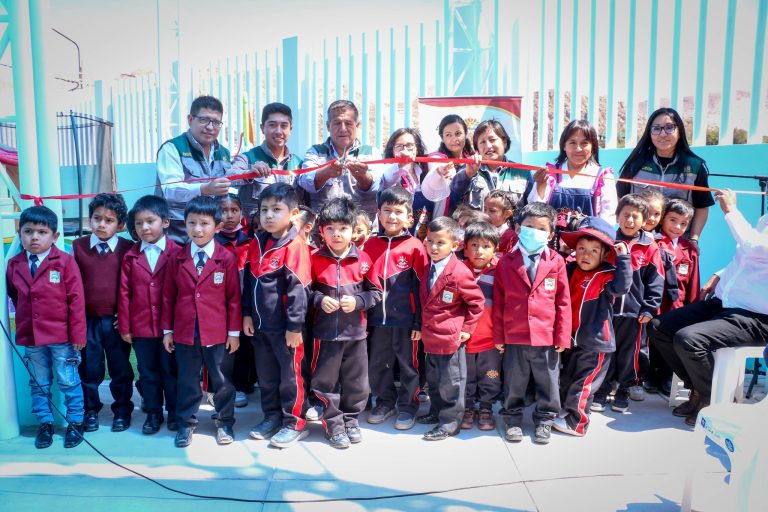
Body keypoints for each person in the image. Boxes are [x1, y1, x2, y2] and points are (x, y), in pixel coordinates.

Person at [649, 189, 768, 425]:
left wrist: (731, 210)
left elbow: (756, 248)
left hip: (755, 316)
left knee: (689, 340)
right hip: (723, 302)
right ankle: (699, 389)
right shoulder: (765, 220)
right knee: (659, 327)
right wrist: (720, 274)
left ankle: (712, 401)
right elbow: (749, 258)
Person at [161, 196, 242, 447]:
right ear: (184, 224)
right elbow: (168, 297)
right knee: (187, 378)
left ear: (217, 226)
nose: (197, 229)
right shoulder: (176, 258)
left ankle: (224, 420)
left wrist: (234, 333)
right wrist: (168, 331)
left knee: (221, 379)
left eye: (204, 223)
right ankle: (186, 423)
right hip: (186, 331)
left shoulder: (225, 258)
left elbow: (233, 299)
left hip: (217, 331)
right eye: (192, 223)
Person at [8, 206, 87, 449]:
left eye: (42, 232)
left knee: (68, 380)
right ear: (19, 233)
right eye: (28, 231)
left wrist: (78, 335)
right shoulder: (13, 265)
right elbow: (15, 295)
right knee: (38, 382)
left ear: (54, 236)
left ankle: (75, 422)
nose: (34, 237)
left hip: (62, 337)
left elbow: (76, 300)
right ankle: (45, 423)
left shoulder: (65, 262)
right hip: (32, 337)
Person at [493, 202, 572, 445]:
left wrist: (562, 335)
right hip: (514, 335)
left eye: (541, 228)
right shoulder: (506, 261)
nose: (534, 232)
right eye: (529, 226)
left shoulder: (556, 261)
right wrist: (499, 337)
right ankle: (513, 419)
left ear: (550, 234)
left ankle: (545, 420)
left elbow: (563, 301)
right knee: (514, 382)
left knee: (548, 382)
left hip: (546, 336)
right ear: (518, 228)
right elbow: (499, 302)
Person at [242, 183, 312, 449]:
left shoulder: (295, 246)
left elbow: (299, 290)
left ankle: (294, 422)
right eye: (264, 210)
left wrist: (294, 327)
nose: (269, 215)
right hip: (260, 328)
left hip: (287, 331)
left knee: (290, 377)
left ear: (293, 213)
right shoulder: (256, 243)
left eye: (276, 209)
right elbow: (249, 283)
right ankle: (271, 417)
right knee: (267, 376)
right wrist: (247, 315)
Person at [310, 197, 382, 449]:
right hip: (326, 334)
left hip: (356, 334)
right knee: (325, 382)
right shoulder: (315, 259)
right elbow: (307, 292)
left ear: (354, 230)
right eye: (330, 228)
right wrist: (320, 300)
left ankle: (351, 420)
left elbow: (375, 293)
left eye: (342, 228)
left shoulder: (363, 260)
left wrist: (359, 301)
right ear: (321, 231)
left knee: (357, 382)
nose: (336, 234)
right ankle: (333, 423)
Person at [554, 217, 631, 437]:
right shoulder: (570, 270)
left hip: (596, 344)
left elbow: (622, 287)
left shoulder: (607, 275)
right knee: (567, 379)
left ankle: (577, 424)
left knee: (583, 385)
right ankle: (566, 412)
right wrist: (560, 252)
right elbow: (555, 273)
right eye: (581, 249)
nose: (586, 255)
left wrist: (624, 258)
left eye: (594, 251)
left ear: (606, 255)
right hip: (571, 340)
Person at [592, 195, 664, 412]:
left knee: (629, 353)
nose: (630, 220)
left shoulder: (649, 247)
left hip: (634, 313)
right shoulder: (608, 242)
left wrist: (649, 308)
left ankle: (625, 387)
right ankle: (603, 388)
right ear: (617, 216)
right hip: (608, 311)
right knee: (605, 351)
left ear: (644, 220)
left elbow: (657, 279)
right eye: (625, 215)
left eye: (635, 216)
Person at [365, 187, 429, 431]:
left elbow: (422, 288)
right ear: (378, 214)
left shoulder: (415, 247)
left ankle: (408, 406)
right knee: (377, 365)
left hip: (406, 322)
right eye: (387, 211)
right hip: (377, 321)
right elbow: (364, 283)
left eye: (398, 212)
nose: (392, 217)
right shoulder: (370, 245)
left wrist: (418, 322)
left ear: (409, 218)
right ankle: (384, 402)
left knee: (409, 366)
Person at [417, 217, 485, 441]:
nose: (434, 247)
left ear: (455, 244)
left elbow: (476, 303)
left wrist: (467, 328)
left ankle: (449, 423)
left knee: (451, 383)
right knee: (434, 380)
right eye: (430, 241)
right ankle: (437, 412)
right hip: (431, 335)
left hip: (450, 337)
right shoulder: (429, 267)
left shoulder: (459, 272)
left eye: (440, 243)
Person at [118, 195, 181, 435]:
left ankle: (175, 412)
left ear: (165, 222)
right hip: (142, 328)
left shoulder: (178, 253)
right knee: (148, 373)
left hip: (171, 329)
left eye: (150, 221)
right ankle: (154, 413)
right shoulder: (131, 257)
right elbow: (124, 293)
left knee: (171, 372)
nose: (144, 227)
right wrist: (125, 326)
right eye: (138, 223)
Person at [71, 193, 134, 434]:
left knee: (120, 368)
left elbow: (133, 286)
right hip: (88, 321)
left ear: (120, 224)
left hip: (117, 321)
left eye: (109, 220)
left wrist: (126, 314)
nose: (102, 224)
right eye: (97, 218)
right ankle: (90, 410)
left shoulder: (128, 248)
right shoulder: (78, 247)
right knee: (89, 368)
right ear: (90, 220)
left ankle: (122, 410)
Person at [617, 107, 715, 243]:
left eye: (669, 127)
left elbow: (702, 207)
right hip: (638, 241)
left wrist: (693, 239)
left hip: (676, 244)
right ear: (650, 133)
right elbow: (620, 198)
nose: (663, 134)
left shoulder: (695, 166)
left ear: (679, 131)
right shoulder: (635, 164)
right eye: (656, 128)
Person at [156, 95, 232, 243]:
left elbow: (230, 188)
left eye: (216, 122)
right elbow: (170, 190)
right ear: (190, 119)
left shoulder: (224, 153)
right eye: (204, 120)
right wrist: (205, 189)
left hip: (213, 234)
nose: (210, 127)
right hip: (178, 234)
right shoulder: (172, 148)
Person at [298, 100, 383, 219]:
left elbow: (379, 187)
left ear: (357, 125)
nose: (343, 129)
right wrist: (326, 172)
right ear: (328, 126)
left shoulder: (371, 152)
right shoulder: (316, 152)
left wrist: (363, 177)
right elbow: (305, 183)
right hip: (323, 231)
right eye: (337, 123)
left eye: (348, 123)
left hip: (361, 232)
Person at [525, 119, 617, 224]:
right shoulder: (550, 174)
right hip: (553, 238)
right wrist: (540, 185)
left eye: (584, 143)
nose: (578, 149)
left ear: (593, 147)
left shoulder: (603, 177)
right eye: (572, 142)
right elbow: (535, 212)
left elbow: (608, 219)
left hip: (589, 239)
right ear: (564, 146)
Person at [229, 102, 303, 223]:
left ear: (290, 129)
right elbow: (229, 176)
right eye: (272, 125)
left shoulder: (298, 164)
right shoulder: (248, 158)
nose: (278, 131)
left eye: (284, 126)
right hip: (255, 235)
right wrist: (249, 173)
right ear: (262, 128)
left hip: (288, 235)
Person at [460, 222, 503, 431]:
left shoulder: (501, 271)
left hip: (490, 340)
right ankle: (467, 407)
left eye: (486, 246)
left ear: (495, 248)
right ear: (465, 247)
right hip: (465, 339)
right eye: (474, 245)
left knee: (490, 376)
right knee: (466, 376)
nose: (479, 251)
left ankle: (486, 407)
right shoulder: (458, 269)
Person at [214, 194, 255, 408]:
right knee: (223, 350)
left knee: (244, 348)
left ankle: (242, 386)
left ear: (241, 212)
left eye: (234, 210)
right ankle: (220, 387)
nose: (229, 215)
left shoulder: (250, 241)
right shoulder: (211, 241)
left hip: (246, 305)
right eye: (223, 210)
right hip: (221, 307)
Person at [450, 119, 529, 210]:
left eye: (492, 140)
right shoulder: (467, 169)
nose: (488, 146)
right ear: (477, 148)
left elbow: (531, 210)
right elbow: (453, 200)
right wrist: (467, 176)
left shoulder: (522, 172)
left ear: (504, 142)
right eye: (482, 142)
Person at [381, 128, 442, 226]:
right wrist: (400, 164)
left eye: (409, 145)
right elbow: (387, 181)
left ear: (417, 149)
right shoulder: (389, 170)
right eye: (399, 146)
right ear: (392, 150)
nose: (404, 151)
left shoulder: (424, 170)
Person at [419, 114, 473, 214]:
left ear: (466, 134)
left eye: (458, 133)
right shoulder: (437, 158)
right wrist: (439, 171)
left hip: (470, 217)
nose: (454, 139)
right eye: (448, 135)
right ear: (442, 139)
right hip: (445, 218)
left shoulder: (473, 159)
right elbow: (434, 171)